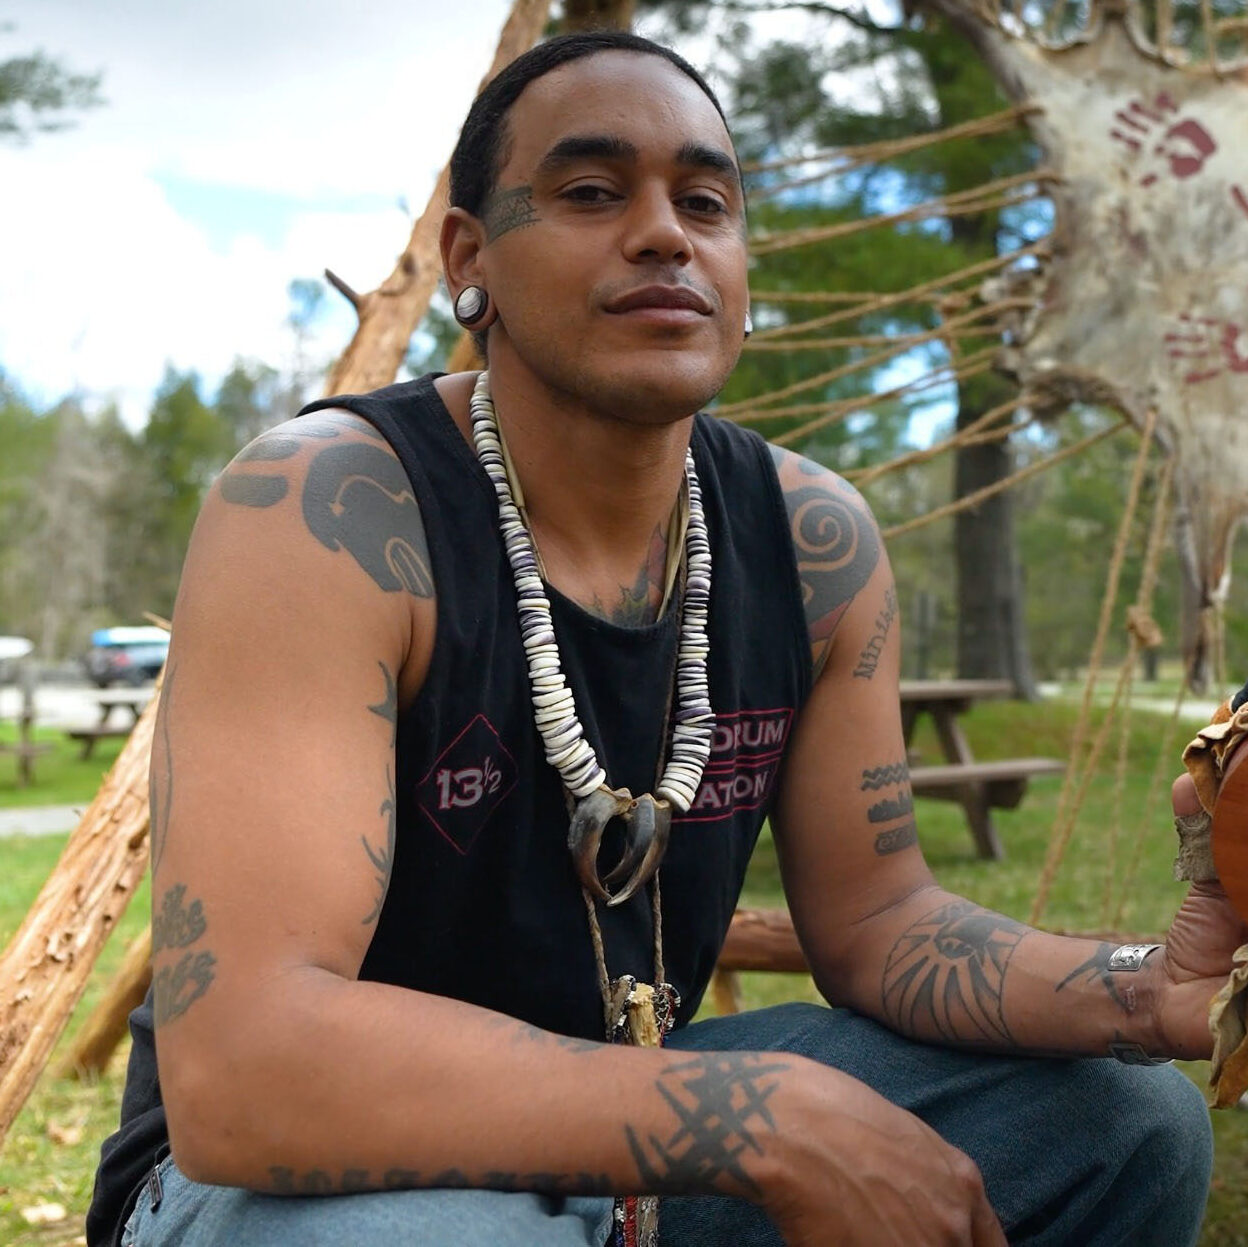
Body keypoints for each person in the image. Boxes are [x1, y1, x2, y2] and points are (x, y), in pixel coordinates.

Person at [88, 30, 1232, 1247]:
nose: (663, 234)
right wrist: (762, 1114)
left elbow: (882, 921)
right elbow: (249, 1067)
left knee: (1127, 1120)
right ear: (469, 258)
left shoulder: (814, 541)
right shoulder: (328, 514)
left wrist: (1149, 985)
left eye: (706, 202)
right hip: (292, 1183)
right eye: (590, 191)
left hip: (629, 1110)